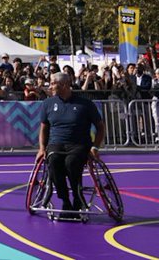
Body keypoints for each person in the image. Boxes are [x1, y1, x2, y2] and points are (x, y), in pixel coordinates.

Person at [38, 72, 106, 220]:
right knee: (54, 161)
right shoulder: (48, 104)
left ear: (63, 85)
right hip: (56, 143)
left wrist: (95, 148)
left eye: (52, 83)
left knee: (71, 162)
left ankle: (77, 197)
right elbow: (44, 128)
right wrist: (42, 148)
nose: (50, 86)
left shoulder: (85, 104)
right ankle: (65, 201)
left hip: (79, 143)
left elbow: (100, 127)